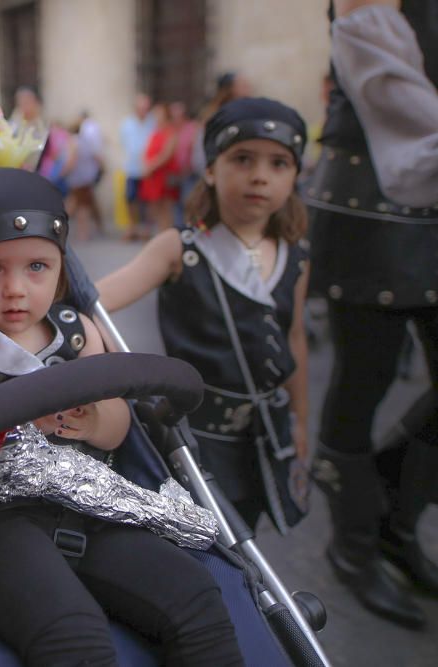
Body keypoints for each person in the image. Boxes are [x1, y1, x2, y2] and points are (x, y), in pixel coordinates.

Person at [0, 168, 244, 666]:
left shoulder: (77, 333)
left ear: (60, 271)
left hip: (93, 505)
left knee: (196, 598)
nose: (15, 289)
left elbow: (118, 425)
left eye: (36, 267)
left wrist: (95, 422)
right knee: (72, 634)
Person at [96, 98, 312, 534]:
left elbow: (294, 337)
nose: (259, 175)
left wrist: (301, 419)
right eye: (243, 159)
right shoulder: (181, 248)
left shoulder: (297, 256)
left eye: (279, 163)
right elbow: (97, 299)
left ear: (293, 177)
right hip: (194, 437)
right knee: (202, 540)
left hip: (263, 435)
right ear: (211, 169)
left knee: (248, 537)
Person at [305, 0, 438, 630]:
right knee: (365, 379)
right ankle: (353, 543)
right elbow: (399, 106)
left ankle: (392, 513)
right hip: (374, 205)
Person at [119, 92, 156, 241]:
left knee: (147, 202)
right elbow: (124, 143)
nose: (143, 110)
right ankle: (132, 228)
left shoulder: (153, 122)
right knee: (130, 199)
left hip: (148, 168)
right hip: (132, 168)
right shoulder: (127, 124)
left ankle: (146, 229)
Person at [64, 110, 106, 240]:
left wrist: (61, 173)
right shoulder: (85, 141)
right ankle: (84, 232)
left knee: (80, 206)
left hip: (77, 179)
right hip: (87, 177)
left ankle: (81, 233)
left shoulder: (73, 142)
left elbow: (71, 161)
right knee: (82, 204)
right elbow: (95, 156)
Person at [139, 102, 180, 235]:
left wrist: (151, 166)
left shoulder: (170, 132)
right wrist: (146, 165)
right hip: (153, 176)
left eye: (159, 113)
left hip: (163, 175)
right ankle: (161, 233)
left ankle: (167, 234)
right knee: (155, 207)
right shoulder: (155, 132)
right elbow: (147, 150)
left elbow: (166, 154)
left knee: (166, 208)